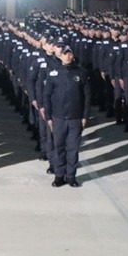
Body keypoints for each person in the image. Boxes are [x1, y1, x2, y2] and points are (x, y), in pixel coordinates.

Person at [41, 42, 90, 187]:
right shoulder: (53, 73)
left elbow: (87, 97)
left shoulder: (81, 73)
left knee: (73, 148)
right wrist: (49, 117)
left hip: (75, 118)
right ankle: (59, 176)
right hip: (58, 118)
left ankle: (71, 176)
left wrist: (85, 116)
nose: (68, 56)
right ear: (60, 56)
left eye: (70, 53)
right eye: (65, 54)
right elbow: (47, 96)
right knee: (59, 148)